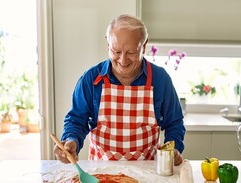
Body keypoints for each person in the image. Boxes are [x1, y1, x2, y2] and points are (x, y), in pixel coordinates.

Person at [54, 14, 185, 165]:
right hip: (101, 172)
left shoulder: (160, 79)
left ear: (144, 46)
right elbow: (76, 120)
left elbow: (174, 123)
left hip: (148, 172)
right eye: (116, 51)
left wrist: (173, 148)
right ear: (108, 44)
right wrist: (71, 142)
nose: (123, 60)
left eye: (131, 52)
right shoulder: (91, 79)